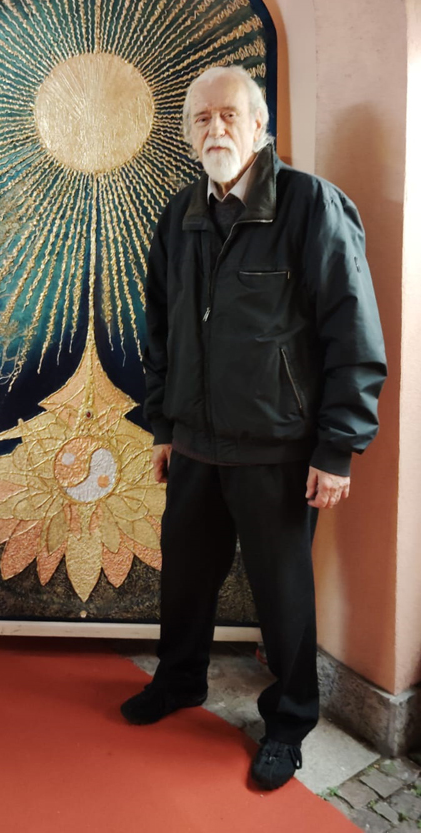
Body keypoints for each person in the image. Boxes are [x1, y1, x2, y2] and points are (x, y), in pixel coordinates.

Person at [120, 65, 387, 791]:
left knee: (282, 596)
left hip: (279, 449)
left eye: (230, 116)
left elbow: (352, 334)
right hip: (194, 442)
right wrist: (163, 427)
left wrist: (337, 448)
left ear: (261, 126)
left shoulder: (311, 205)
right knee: (185, 580)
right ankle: (179, 681)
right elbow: (159, 332)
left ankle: (289, 722)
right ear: (187, 134)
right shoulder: (178, 215)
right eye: (201, 119)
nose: (216, 129)